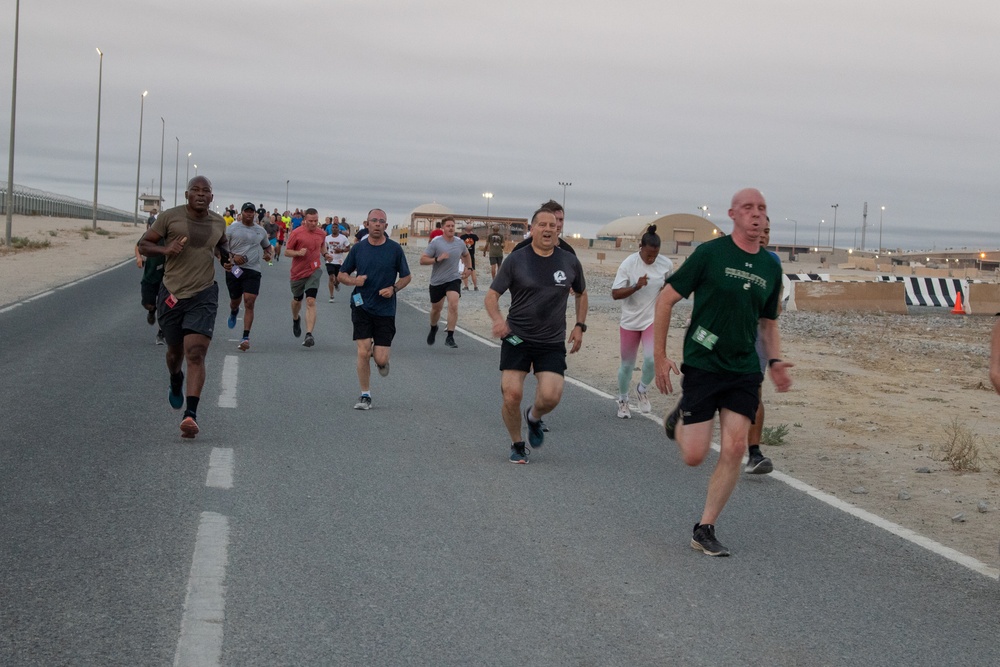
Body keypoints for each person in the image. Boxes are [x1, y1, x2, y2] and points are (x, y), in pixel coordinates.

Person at [653, 188, 792, 556]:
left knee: (733, 446)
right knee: (694, 455)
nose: (757, 215)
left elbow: (768, 322)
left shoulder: (771, 266)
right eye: (748, 208)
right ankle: (681, 416)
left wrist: (775, 361)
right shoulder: (710, 254)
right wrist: (660, 355)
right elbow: (666, 299)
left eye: (762, 208)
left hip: (744, 368)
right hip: (703, 361)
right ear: (732, 214)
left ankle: (706, 526)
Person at [484, 208, 588, 464]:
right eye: (542, 224)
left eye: (553, 225)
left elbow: (581, 293)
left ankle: (533, 417)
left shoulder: (569, 261)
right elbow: (491, 296)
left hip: (551, 341)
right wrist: (498, 320)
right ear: (532, 229)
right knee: (511, 394)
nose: (548, 229)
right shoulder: (517, 259)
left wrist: (579, 325)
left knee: (551, 396)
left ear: (558, 230)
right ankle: (517, 444)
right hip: (516, 336)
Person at [138, 175, 229, 439]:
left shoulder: (218, 222)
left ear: (212, 197)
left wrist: (228, 259)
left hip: (204, 294)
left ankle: (190, 414)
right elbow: (144, 245)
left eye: (206, 191)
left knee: (196, 353)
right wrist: (167, 250)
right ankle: (175, 378)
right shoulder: (169, 217)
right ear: (187, 195)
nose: (201, 195)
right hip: (173, 293)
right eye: (195, 190)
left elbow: (221, 248)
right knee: (174, 353)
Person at [338, 208, 412, 410]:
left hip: (385, 309)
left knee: (380, 357)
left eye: (381, 221)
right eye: (374, 221)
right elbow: (341, 275)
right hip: (361, 304)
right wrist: (356, 280)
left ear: (386, 226)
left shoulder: (395, 249)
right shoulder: (358, 249)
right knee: (363, 352)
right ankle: (365, 395)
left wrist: (393, 288)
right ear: (367, 224)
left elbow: (407, 276)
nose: (378, 224)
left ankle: (379, 360)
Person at [611, 224, 673, 419]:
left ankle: (642, 389)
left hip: (651, 320)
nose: (651, 259)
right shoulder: (628, 264)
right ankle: (623, 400)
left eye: (655, 255)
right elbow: (615, 294)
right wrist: (636, 286)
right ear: (641, 247)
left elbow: (670, 285)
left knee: (652, 358)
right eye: (648, 255)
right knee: (627, 366)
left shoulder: (665, 264)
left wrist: (666, 289)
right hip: (629, 321)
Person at [746, 218, 783, 474]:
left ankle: (754, 453)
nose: (763, 236)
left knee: (755, 391)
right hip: (726, 333)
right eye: (758, 230)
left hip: (757, 334)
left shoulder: (773, 263)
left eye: (767, 231)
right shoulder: (728, 257)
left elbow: (776, 305)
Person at [224, 202, 273, 351]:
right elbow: (221, 248)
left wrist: (267, 254)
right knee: (235, 300)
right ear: (242, 213)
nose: (249, 214)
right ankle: (233, 311)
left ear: (255, 214)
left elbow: (267, 246)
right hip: (235, 270)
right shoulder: (232, 228)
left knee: (249, 302)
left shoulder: (260, 231)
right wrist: (233, 257)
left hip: (253, 270)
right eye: (247, 211)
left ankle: (245, 337)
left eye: (252, 212)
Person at [420, 216, 472, 348]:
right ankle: (433, 327)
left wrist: (469, 268)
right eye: (448, 226)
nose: (450, 228)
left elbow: (466, 254)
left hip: (453, 279)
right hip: (437, 281)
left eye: (452, 226)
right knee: (436, 310)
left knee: (453, 304)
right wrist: (437, 259)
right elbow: (423, 260)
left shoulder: (460, 242)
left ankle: (450, 336)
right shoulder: (436, 243)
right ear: (443, 228)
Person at [285, 208, 328, 347]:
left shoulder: (321, 233)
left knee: (310, 301)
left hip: (314, 270)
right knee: (297, 301)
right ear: (305, 220)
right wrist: (298, 253)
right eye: (310, 221)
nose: (313, 223)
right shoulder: (297, 233)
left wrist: (326, 255)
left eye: (316, 221)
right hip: (297, 273)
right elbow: (286, 252)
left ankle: (309, 334)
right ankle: (295, 318)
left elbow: (322, 247)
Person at [512, 199, 576, 256]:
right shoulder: (520, 250)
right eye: (555, 219)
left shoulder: (568, 252)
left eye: (561, 220)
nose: (558, 224)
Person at [134, 239, 166, 345]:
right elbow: (138, 246)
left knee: (164, 307)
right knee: (149, 304)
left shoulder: (174, 234)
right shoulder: (153, 235)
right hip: (150, 277)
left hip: (167, 280)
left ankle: (161, 334)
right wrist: (139, 258)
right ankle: (151, 311)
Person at [324, 222, 351, 302]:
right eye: (333, 228)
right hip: (330, 260)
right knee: (331, 277)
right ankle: (331, 296)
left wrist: (341, 250)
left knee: (338, 279)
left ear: (339, 229)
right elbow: (324, 248)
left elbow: (348, 248)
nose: (334, 229)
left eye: (336, 228)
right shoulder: (327, 238)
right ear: (331, 229)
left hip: (339, 261)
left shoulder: (343, 238)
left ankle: (336, 284)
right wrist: (326, 255)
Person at [459, 223, 480, 291]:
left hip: (464, 255)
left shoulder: (462, 237)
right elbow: (477, 239)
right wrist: (471, 233)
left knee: (465, 270)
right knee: (472, 270)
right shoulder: (474, 236)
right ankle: (475, 286)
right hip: (471, 255)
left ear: (465, 230)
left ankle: (466, 286)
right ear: (471, 230)